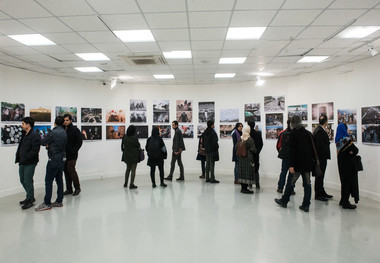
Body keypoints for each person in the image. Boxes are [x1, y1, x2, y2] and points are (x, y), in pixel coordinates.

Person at [275, 116, 314, 212]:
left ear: (292, 123)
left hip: (297, 164)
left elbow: (292, 151)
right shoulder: (308, 134)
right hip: (307, 164)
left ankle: (284, 200)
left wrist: (291, 165)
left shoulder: (293, 134)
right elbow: (312, 149)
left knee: (290, 183)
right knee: (307, 184)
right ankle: (306, 205)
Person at [35, 116, 67, 211]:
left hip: (54, 159)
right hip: (62, 158)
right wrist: (50, 144)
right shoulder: (64, 132)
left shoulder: (53, 132)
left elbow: (43, 142)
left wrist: (48, 144)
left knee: (48, 181)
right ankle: (59, 201)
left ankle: (47, 203)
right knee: (59, 180)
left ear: (55, 123)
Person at [15, 117, 41, 210]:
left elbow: (35, 151)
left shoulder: (35, 135)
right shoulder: (24, 134)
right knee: (22, 180)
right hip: (22, 161)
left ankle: (30, 199)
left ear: (28, 125)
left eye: (23, 123)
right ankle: (29, 196)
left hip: (30, 162)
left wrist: (26, 157)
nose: (21, 125)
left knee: (28, 180)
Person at [336, 123, 359, 209]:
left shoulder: (338, 140)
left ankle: (343, 200)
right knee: (348, 183)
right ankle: (345, 202)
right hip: (348, 166)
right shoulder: (346, 140)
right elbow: (356, 150)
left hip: (341, 165)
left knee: (344, 182)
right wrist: (351, 152)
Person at [313, 115, 333, 201]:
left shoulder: (318, 130)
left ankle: (321, 191)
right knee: (319, 176)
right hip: (321, 158)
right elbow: (320, 146)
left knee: (320, 176)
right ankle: (318, 194)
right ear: (326, 122)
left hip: (320, 158)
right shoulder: (320, 131)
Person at [63, 114, 83, 196]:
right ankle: (69, 189)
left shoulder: (75, 130)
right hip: (64, 154)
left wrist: (74, 150)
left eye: (67, 120)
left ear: (71, 121)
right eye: (64, 120)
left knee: (71, 170)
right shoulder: (63, 129)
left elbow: (79, 141)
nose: (65, 122)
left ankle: (77, 188)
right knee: (65, 171)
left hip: (72, 154)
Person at [237, 126, 257, 193]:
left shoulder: (240, 138)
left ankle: (243, 188)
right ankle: (245, 189)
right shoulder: (250, 139)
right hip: (248, 158)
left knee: (242, 173)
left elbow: (236, 147)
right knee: (247, 173)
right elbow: (254, 150)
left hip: (241, 158)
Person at [121, 125, 140, 189]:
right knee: (133, 170)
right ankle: (131, 184)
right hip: (134, 156)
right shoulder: (135, 138)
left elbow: (122, 146)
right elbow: (138, 145)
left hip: (127, 156)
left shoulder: (125, 136)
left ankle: (125, 183)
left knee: (127, 169)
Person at [276, 120, 291, 193]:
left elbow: (278, 145)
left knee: (283, 172)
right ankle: (290, 189)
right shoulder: (295, 133)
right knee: (292, 174)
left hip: (285, 156)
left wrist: (281, 152)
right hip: (293, 157)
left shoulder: (283, 133)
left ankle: (280, 188)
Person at [248, 121, 263, 189]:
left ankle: (250, 184)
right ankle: (257, 184)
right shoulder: (258, 133)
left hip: (249, 154)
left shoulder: (247, 134)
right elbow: (261, 144)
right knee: (256, 169)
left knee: (249, 169)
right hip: (256, 153)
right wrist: (258, 151)